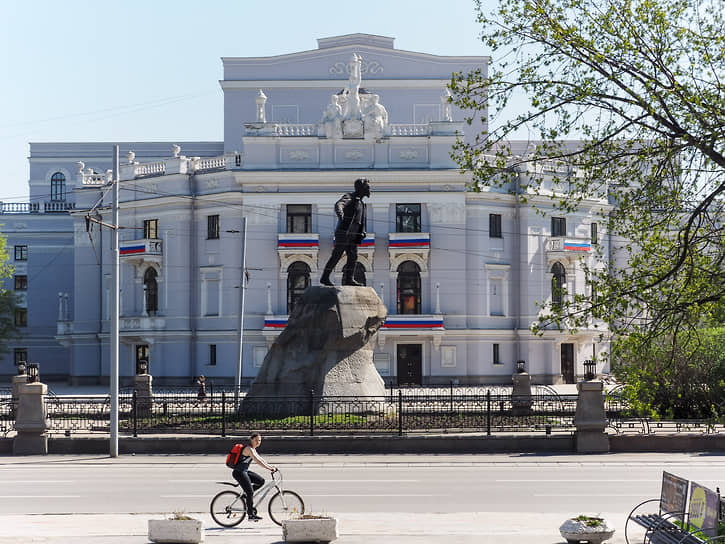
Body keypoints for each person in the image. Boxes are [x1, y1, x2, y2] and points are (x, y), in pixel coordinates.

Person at [320, 178, 371, 287]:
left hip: (354, 235)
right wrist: (341, 214)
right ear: (361, 188)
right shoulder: (350, 197)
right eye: (367, 186)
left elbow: (361, 219)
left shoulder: (362, 203)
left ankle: (349, 279)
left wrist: (363, 231)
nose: (369, 189)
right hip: (344, 232)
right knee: (337, 255)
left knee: (353, 257)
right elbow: (339, 204)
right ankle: (325, 277)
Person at [231, 432, 277, 522]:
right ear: (251, 440)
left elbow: (261, 459)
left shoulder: (253, 449)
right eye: (256, 440)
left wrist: (271, 466)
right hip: (239, 472)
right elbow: (257, 461)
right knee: (250, 492)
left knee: (261, 481)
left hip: (244, 471)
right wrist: (269, 468)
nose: (258, 442)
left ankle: (246, 495)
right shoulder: (248, 449)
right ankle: (250, 515)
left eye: (259, 440)